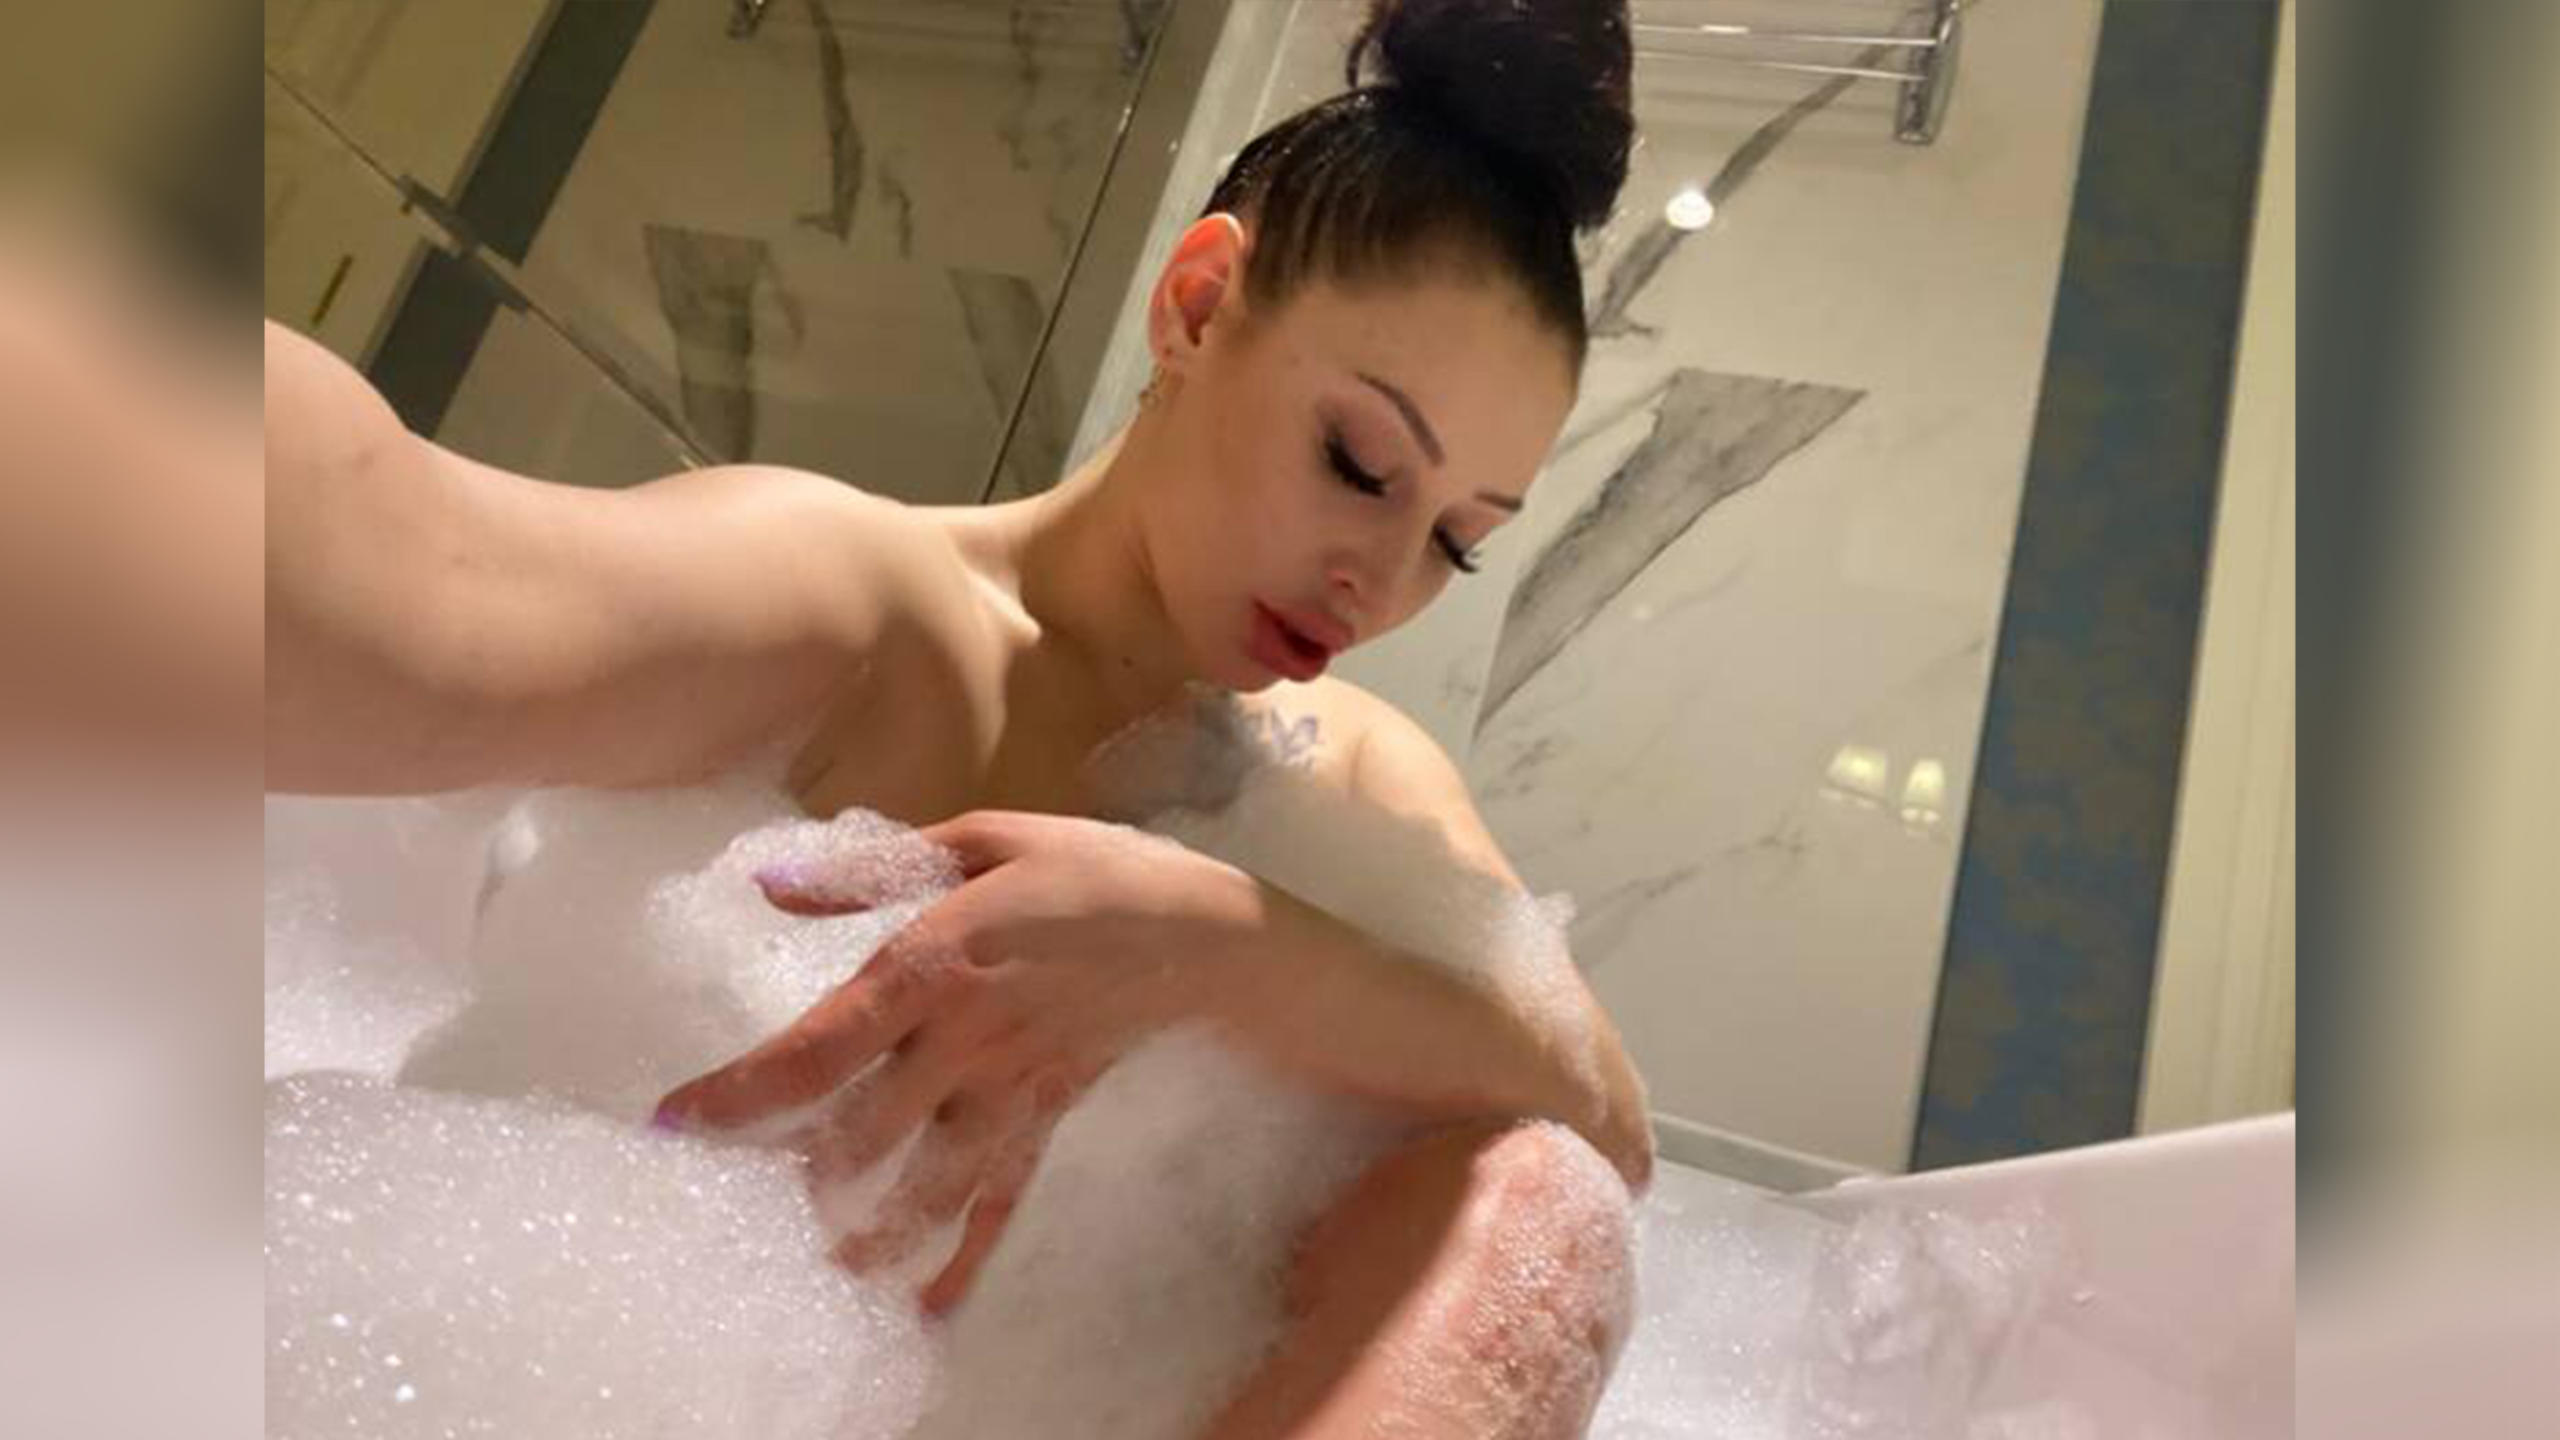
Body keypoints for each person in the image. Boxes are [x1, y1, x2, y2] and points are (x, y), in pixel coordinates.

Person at [266, 0, 1653, 1431]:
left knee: (1542, 1203)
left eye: (1457, 542)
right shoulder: (870, 609)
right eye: (1359, 462)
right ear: (1196, 308)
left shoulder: (1347, 767)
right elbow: (403, 578)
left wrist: (1205, 939)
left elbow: (1608, 1117)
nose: (1382, 580)